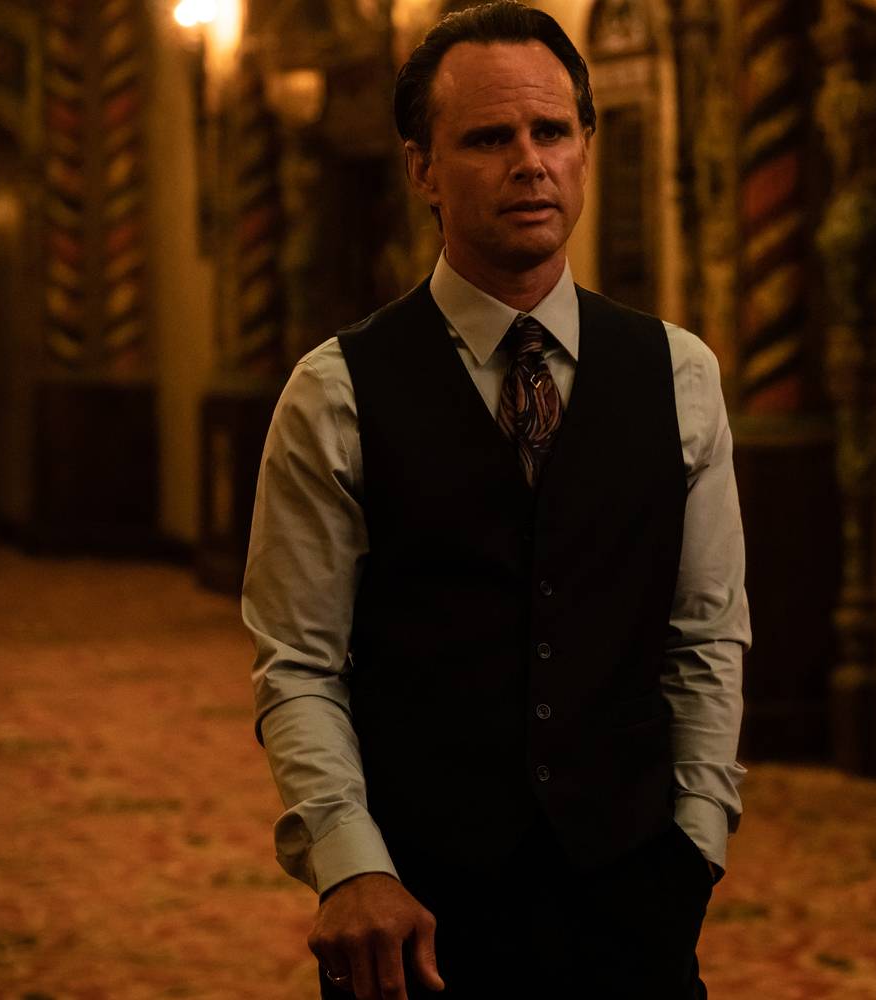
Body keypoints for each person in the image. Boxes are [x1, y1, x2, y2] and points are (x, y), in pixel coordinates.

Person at [241, 3, 749, 998]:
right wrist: (350, 864)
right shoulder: (335, 391)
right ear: (422, 169)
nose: (529, 163)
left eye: (551, 131)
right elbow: (299, 662)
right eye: (488, 139)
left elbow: (706, 636)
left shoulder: (679, 373)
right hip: (413, 918)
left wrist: (696, 841)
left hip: (632, 900)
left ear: (586, 149)